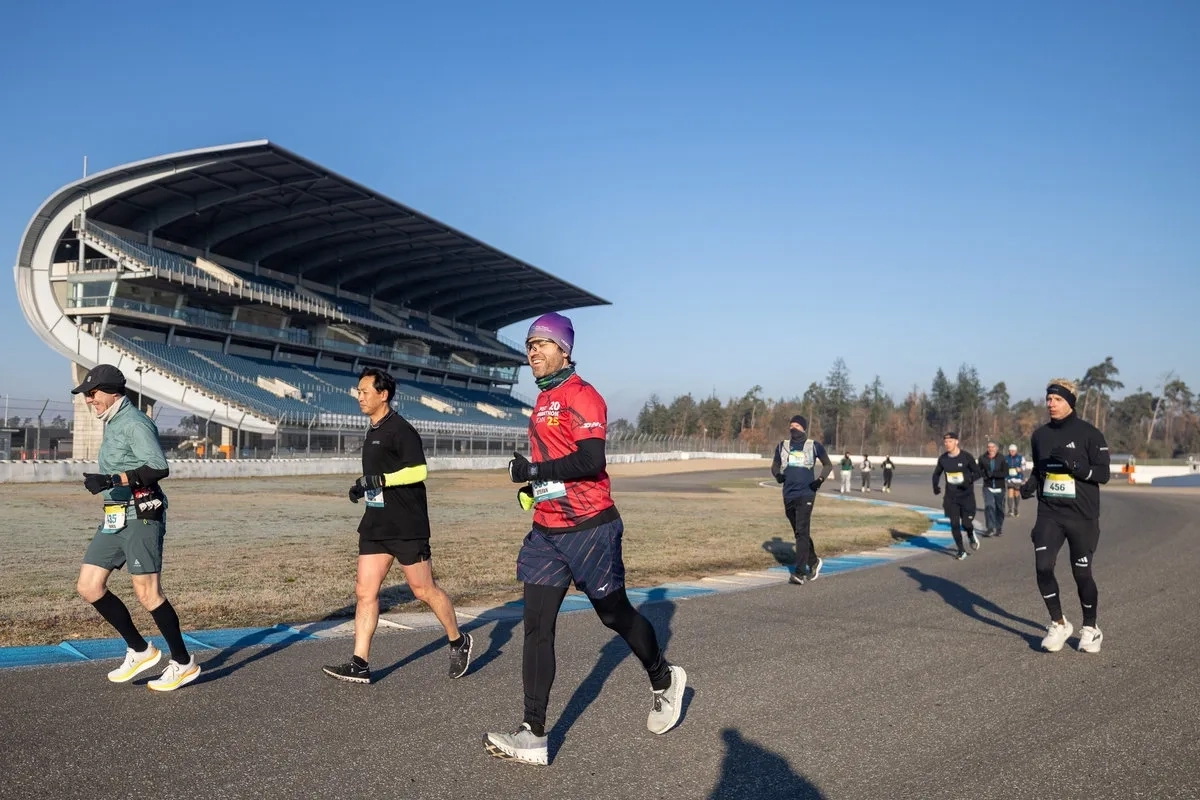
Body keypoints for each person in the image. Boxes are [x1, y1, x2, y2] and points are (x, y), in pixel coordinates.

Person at [484, 312, 686, 766]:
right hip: (547, 531)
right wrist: (534, 489)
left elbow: (591, 459)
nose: (532, 350)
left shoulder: (584, 396)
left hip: (591, 527)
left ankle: (663, 676)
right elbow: (557, 466)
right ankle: (533, 732)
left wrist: (534, 471)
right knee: (537, 625)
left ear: (565, 349)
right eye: (529, 344)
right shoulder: (542, 400)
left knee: (613, 614)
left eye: (542, 343)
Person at [322, 367, 473, 684]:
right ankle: (360, 663)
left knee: (423, 590)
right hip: (376, 524)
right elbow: (380, 474)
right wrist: (362, 486)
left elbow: (419, 472)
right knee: (365, 592)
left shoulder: (401, 430)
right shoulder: (373, 430)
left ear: (383, 394)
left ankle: (459, 641)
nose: (359, 397)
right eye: (358, 391)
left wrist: (382, 479)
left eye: (364, 391)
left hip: (407, 526)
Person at [71, 364, 199, 691]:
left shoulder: (134, 423)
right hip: (115, 514)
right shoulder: (113, 422)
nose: (89, 400)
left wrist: (112, 479)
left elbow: (158, 467)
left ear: (112, 391)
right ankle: (140, 649)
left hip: (142, 514)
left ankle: (183, 663)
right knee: (88, 586)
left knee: (148, 592)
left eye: (92, 393)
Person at [1020, 379, 1110, 653]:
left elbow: (1103, 474)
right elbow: (1040, 469)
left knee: (1081, 573)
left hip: (1082, 515)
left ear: (1070, 402)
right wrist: (1031, 485)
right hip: (1050, 512)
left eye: (1057, 399)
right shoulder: (1040, 436)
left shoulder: (1090, 434)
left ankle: (1091, 629)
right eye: (1048, 399)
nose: (1051, 404)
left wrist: (1077, 466)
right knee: (1043, 566)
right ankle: (1058, 623)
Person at [770, 415, 834, 585]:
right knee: (799, 532)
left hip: (806, 493)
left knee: (802, 530)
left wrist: (819, 481)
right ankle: (813, 561)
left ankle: (799, 572)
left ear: (804, 428)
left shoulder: (813, 446)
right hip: (788, 494)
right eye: (791, 425)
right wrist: (778, 476)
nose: (794, 428)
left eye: (797, 425)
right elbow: (775, 466)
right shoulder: (782, 446)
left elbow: (828, 465)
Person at [931, 432, 981, 560]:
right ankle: (961, 550)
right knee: (954, 524)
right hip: (951, 497)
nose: (947, 444)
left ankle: (970, 534)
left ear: (956, 442)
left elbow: (978, 473)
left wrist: (968, 480)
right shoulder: (943, 459)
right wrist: (935, 486)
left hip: (966, 496)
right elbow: (936, 474)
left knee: (966, 523)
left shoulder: (966, 457)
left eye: (950, 441)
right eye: (946, 442)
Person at [977, 441, 1008, 536]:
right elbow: (978, 471)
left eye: (993, 447)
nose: (991, 449)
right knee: (989, 506)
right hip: (988, 487)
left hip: (1000, 487)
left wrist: (994, 474)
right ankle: (990, 528)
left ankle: (998, 528)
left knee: (1000, 508)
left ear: (996, 448)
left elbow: (1005, 473)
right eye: (989, 447)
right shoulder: (982, 458)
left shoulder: (1002, 458)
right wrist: (985, 474)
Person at [1005, 444, 1026, 517]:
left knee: (1016, 493)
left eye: (1013, 451)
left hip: (1018, 478)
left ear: (1016, 451)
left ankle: (1016, 509)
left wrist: (1020, 469)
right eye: (1010, 450)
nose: (1011, 452)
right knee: (1010, 492)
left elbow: (1024, 466)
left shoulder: (1020, 458)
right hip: (1009, 478)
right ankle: (1010, 510)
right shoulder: (1006, 458)